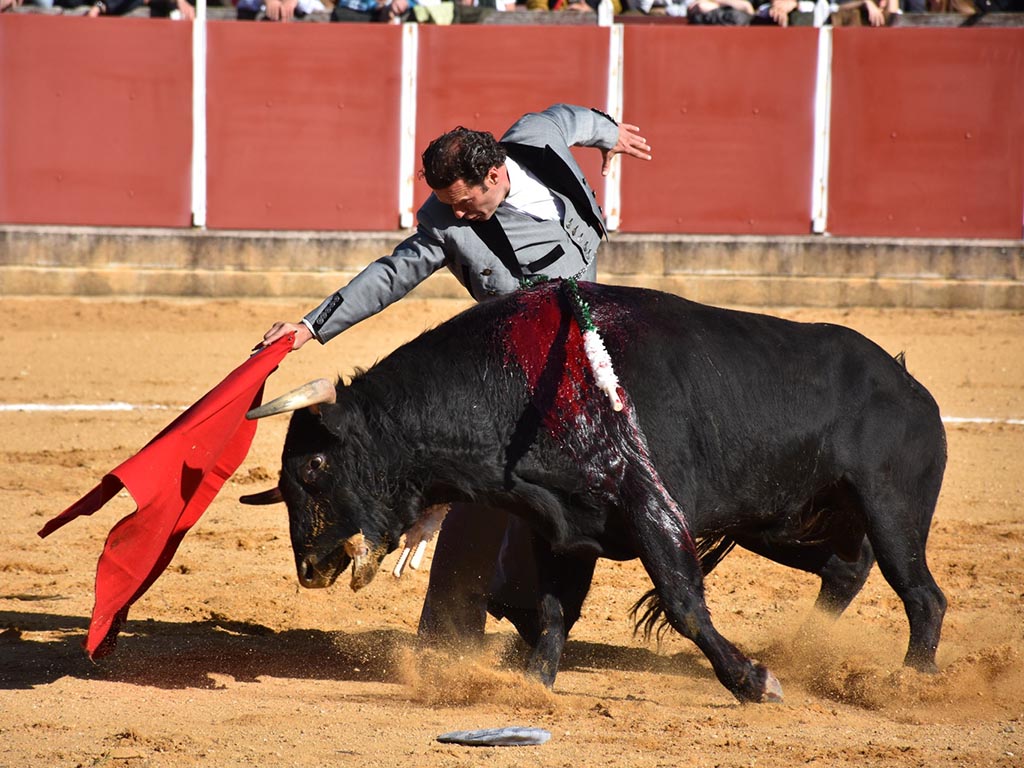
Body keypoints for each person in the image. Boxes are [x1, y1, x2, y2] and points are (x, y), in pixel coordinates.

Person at [259, 103, 652, 648]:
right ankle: (447, 637)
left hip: (592, 336)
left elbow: (572, 117)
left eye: (466, 203)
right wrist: (310, 326)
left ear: (496, 173)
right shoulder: (446, 224)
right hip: (509, 364)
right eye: (450, 206)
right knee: (482, 478)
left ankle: (520, 602)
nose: (459, 215)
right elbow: (391, 275)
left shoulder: (539, 141)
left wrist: (611, 135)